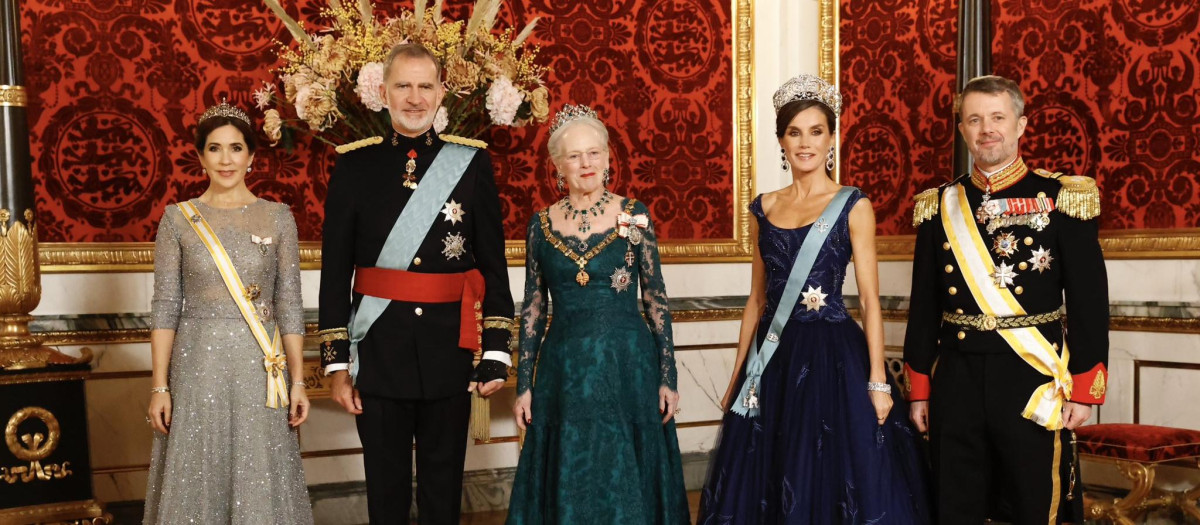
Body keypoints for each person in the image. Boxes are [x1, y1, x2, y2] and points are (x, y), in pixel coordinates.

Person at [698, 74, 930, 524]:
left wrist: (879, 382)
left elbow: (869, 300)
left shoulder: (853, 205)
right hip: (774, 359)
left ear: (831, 138)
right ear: (781, 140)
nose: (805, 143)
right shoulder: (762, 207)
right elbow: (756, 300)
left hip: (833, 359)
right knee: (772, 467)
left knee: (835, 473)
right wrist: (737, 375)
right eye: (794, 132)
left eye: (816, 131)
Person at [317, 43, 514, 524]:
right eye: (403, 85)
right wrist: (337, 364)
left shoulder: (470, 164)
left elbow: (493, 264)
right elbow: (335, 272)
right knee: (384, 495)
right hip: (379, 353)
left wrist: (494, 351)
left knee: (443, 493)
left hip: (450, 351)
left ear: (442, 92)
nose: (414, 97)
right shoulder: (354, 165)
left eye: (425, 85)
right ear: (383, 92)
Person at [903, 74, 1109, 523]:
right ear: (962, 130)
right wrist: (919, 390)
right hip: (956, 375)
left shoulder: (1062, 198)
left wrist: (1086, 388)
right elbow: (923, 308)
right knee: (956, 501)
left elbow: (1090, 301)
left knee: (1035, 500)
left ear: (1021, 125)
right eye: (974, 119)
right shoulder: (939, 205)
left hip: (1030, 374)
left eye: (998, 117)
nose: (986, 129)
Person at [505, 104, 690, 524]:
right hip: (564, 373)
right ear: (557, 165)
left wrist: (668, 377)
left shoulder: (634, 214)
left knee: (627, 474)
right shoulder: (541, 225)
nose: (585, 163)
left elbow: (656, 298)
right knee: (574, 471)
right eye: (574, 155)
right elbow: (534, 304)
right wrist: (524, 384)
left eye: (594, 153)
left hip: (628, 368)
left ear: (608, 158)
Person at [144, 100, 313, 524]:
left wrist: (297, 381)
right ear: (200, 156)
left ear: (252, 155)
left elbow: (289, 304)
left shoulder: (278, 218)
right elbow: (165, 308)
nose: (226, 159)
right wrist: (160, 387)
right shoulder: (178, 220)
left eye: (235, 148)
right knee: (199, 473)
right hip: (197, 364)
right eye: (215, 148)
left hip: (261, 369)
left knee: (259, 474)